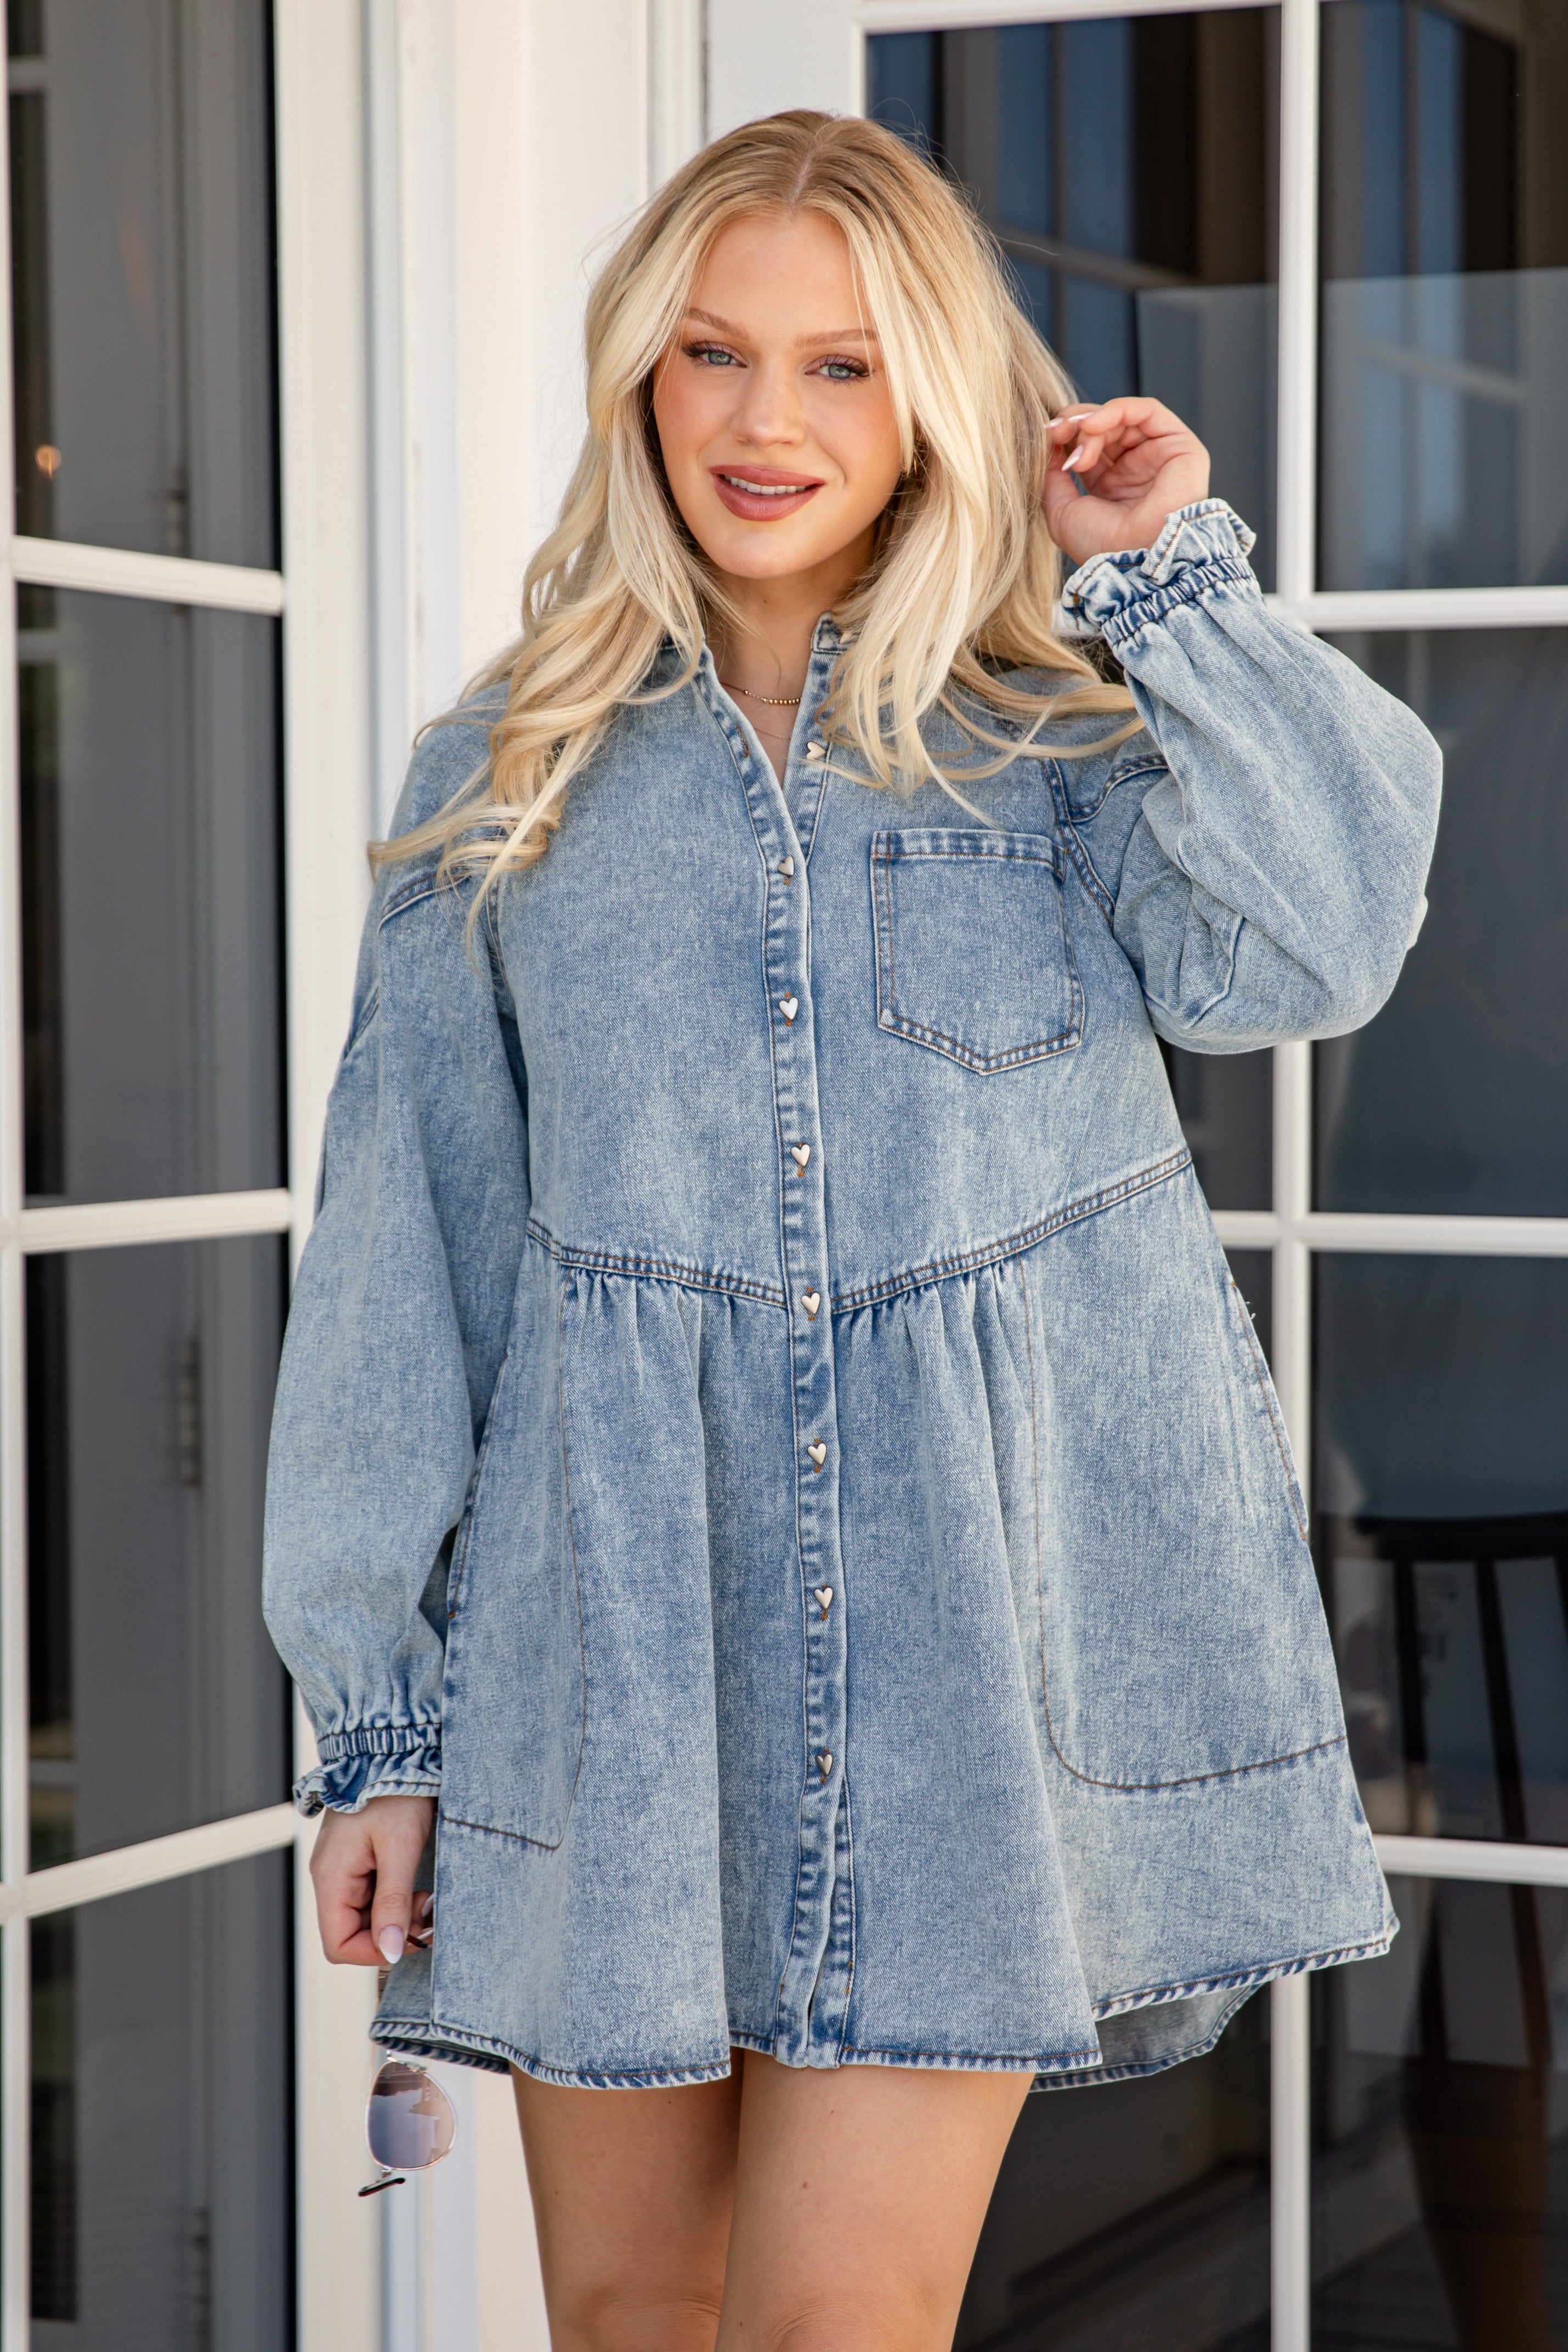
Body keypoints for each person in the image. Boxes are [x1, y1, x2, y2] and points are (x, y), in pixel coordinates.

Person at [263, 110, 1441, 2351]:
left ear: (929, 404)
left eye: (841, 364)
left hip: (961, 1659)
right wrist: (380, 1724)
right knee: (630, 2318)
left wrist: (1166, 577)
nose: (764, 420)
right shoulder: (505, 770)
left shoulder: (1066, 737)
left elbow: (1321, 938)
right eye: (713, 352)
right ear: (640, 377)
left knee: (838, 2326)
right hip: (609, 1651)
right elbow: (406, 1268)